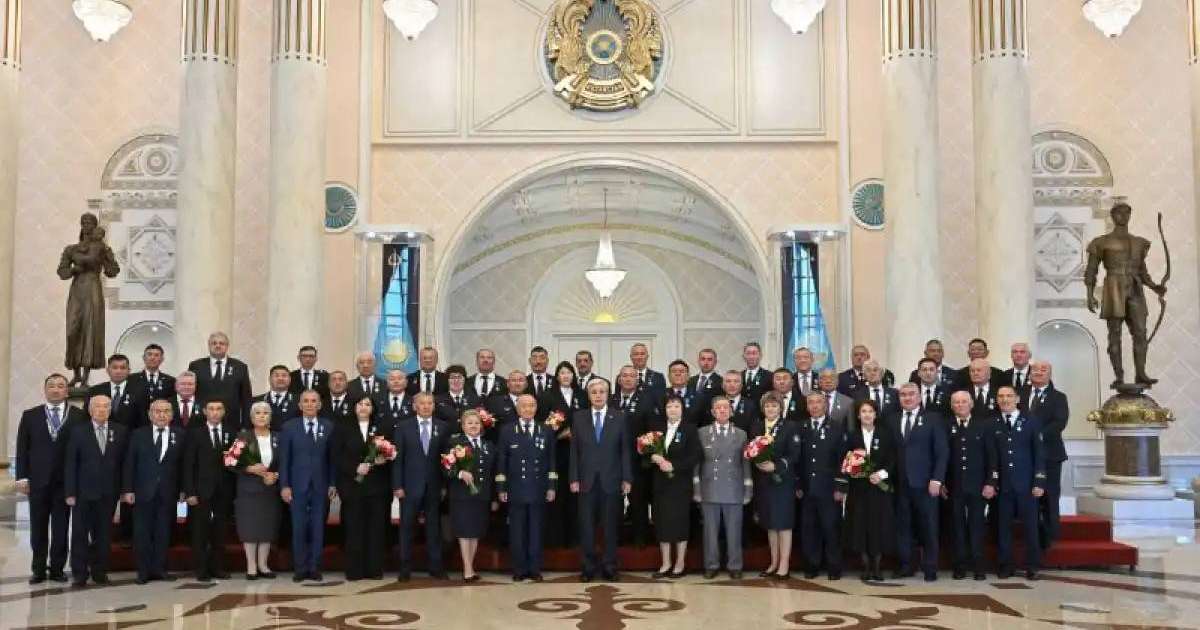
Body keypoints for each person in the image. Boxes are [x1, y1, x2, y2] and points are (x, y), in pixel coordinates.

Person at [15, 373, 87, 584]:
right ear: (45, 390)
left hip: (65, 483)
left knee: (61, 526)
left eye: (61, 386)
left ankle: (57, 568)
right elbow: (22, 449)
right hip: (37, 482)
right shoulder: (30, 415)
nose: (56, 389)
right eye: (52, 386)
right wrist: (22, 477)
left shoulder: (78, 416)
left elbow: (81, 452)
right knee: (37, 526)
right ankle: (38, 568)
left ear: (67, 391)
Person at [570, 379, 633, 582]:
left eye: (602, 392)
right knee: (586, 526)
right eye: (594, 392)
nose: (598, 395)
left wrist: (627, 478)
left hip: (611, 479)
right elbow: (574, 451)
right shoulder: (578, 417)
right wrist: (574, 478)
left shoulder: (620, 417)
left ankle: (609, 566)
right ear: (589, 396)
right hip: (586, 481)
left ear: (608, 394)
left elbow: (625, 450)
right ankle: (587, 567)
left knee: (610, 526)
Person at [64, 395, 128, 587]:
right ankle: (79, 572)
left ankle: (100, 571)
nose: (102, 410)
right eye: (97, 406)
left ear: (110, 410)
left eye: (106, 406)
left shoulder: (120, 431)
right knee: (80, 534)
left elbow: (124, 464)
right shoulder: (78, 431)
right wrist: (70, 492)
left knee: (104, 534)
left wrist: (124, 490)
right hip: (83, 493)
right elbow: (70, 464)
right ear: (90, 410)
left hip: (108, 493)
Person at [887, 383, 947, 581]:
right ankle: (906, 565)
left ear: (920, 397)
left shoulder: (933, 419)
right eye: (903, 395)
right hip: (900, 484)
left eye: (912, 394)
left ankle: (930, 567)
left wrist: (937, 479)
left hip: (925, 483)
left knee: (929, 526)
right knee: (903, 527)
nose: (907, 398)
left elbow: (941, 452)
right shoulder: (892, 420)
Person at [122, 399, 184, 584]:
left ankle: (160, 569)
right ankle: (143, 571)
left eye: (166, 411)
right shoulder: (138, 434)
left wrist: (183, 489)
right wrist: (127, 489)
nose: (162, 415)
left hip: (168, 492)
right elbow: (129, 463)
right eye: (157, 411)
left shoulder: (180, 435)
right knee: (142, 533)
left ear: (172, 415)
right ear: (150, 414)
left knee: (163, 532)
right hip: (142, 492)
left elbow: (183, 466)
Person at [496, 394, 557, 582]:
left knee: (536, 531)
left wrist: (552, 486)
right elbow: (502, 462)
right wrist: (501, 488)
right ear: (517, 409)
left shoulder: (545, 430)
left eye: (531, 406)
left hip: (538, 489)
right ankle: (519, 569)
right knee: (517, 531)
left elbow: (551, 461)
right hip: (515, 489)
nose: (528, 409)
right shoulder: (507, 431)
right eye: (524, 406)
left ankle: (535, 568)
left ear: (536, 408)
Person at [279, 390, 337, 582]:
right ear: (300, 405)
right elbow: (284, 459)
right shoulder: (289, 427)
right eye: (306, 401)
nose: (310, 404)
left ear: (320, 405)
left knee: (318, 527)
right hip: (297, 486)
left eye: (314, 401)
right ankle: (300, 568)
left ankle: (315, 567)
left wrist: (332, 483)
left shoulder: (328, 426)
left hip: (321, 486)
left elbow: (332, 459)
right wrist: (285, 485)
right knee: (298, 527)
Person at [392, 392, 450, 581]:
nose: (426, 406)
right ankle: (405, 567)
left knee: (434, 528)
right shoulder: (403, 427)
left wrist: (443, 485)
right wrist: (397, 485)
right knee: (407, 528)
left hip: (434, 486)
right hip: (409, 486)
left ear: (434, 406)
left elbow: (445, 460)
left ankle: (436, 566)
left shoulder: (442, 427)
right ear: (414, 406)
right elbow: (398, 459)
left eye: (429, 403)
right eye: (422, 403)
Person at [993, 386, 1046, 580]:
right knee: (1003, 528)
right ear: (997, 400)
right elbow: (992, 456)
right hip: (1004, 486)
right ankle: (1006, 565)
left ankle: (1033, 565)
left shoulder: (1031, 421)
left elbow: (1039, 453)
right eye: (1001, 396)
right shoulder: (994, 423)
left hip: (1027, 485)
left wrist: (1039, 481)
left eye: (1009, 396)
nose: (1005, 400)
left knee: (1030, 527)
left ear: (1017, 399)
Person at [334, 396, 390, 581]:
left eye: (368, 404)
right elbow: (336, 455)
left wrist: (385, 459)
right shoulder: (343, 427)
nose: (364, 407)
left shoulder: (382, 428)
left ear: (373, 408)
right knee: (353, 528)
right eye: (360, 404)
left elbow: (391, 452)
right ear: (354, 407)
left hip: (377, 487)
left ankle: (374, 570)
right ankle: (354, 571)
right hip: (352, 486)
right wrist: (354, 468)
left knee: (376, 529)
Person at [696, 397, 751, 579]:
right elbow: (697, 463)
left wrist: (748, 488)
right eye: (718, 408)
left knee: (734, 530)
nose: (722, 410)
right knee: (710, 531)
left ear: (731, 411)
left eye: (725, 407)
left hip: (733, 487)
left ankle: (735, 565)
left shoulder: (741, 434)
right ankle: (711, 565)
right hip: (709, 486)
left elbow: (745, 464)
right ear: (712, 412)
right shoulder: (702, 433)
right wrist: (696, 489)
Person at [943, 391, 996, 581]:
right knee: (957, 528)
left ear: (971, 404)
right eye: (956, 402)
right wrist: (940, 482)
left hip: (978, 486)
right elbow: (942, 457)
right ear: (951, 406)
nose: (960, 405)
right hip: (953, 486)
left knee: (977, 526)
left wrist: (991, 482)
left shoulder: (983, 426)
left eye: (964, 401)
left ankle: (978, 565)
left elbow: (992, 457)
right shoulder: (946, 425)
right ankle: (959, 565)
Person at [841, 399, 895, 582]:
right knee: (860, 526)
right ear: (858, 415)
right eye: (863, 411)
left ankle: (878, 567)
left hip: (879, 489)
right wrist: (855, 470)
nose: (867, 415)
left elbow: (893, 459)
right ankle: (865, 566)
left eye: (870, 411)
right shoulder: (851, 436)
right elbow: (846, 461)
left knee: (878, 526)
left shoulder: (886, 435)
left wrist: (881, 474)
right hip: (859, 489)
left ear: (875, 414)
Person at [647, 394, 701, 578]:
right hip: (660, 484)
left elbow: (696, 456)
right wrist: (652, 457)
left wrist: (674, 466)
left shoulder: (690, 429)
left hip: (680, 484)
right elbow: (645, 454)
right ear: (664, 410)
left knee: (679, 523)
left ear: (682, 409)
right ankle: (665, 563)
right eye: (669, 406)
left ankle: (679, 563)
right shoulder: (657, 430)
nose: (673, 409)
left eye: (676, 406)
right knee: (662, 522)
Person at [182, 399, 236, 582]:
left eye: (219, 408)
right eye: (211, 409)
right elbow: (188, 464)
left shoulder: (231, 433)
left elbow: (235, 463)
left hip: (224, 490)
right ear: (204, 411)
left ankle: (218, 568)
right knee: (200, 531)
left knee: (220, 532)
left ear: (224, 411)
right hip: (200, 491)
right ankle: (201, 569)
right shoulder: (195, 434)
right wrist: (189, 492)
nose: (215, 412)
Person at [750, 393, 801, 580]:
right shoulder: (756, 426)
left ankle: (784, 564)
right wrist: (756, 461)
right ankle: (773, 562)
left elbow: (794, 454)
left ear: (781, 408)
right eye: (767, 406)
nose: (770, 409)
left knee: (783, 523)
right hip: (763, 481)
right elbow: (752, 449)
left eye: (774, 406)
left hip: (783, 481)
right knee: (770, 523)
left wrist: (777, 466)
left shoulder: (790, 427)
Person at [799, 391, 848, 580]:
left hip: (829, 489)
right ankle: (812, 566)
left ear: (825, 405)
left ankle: (834, 567)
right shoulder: (801, 427)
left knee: (831, 529)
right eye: (810, 402)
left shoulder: (836, 428)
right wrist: (798, 484)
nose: (814, 406)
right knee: (809, 529)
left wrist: (841, 487)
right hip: (807, 488)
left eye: (818, 402)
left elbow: (843, 460)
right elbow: (799, 459)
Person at [445, 409, 497, 582]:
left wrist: (494, 497)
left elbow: (493, 472)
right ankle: (467, 569)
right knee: (464, 531)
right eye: (470, 423)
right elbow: (445, 467)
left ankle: (471, 567)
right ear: (463, 425)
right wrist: (460, 474)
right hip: (461, 495)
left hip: (481, 495)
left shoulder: (488, 445)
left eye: (476, 423)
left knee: (475, 532)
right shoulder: (455, 443)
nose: (473, 426)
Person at [234, 401, 283, 580]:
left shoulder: (279, 437)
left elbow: (284, 462)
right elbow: (230, 462)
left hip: (270, 490)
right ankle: (251, 567)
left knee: (266, 529)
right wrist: (249, 469)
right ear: (252, 417)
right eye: (258, 413)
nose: (262, 416)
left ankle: (264, 565)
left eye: (265, 413)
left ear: (270, 417)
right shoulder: (243, 436)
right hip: (248, 490)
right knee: (250, 529)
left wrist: (276, 475)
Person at [538, 361, 584, 547]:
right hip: (556, 451)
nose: (566, 376)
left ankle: (575, 538)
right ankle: (556, 538)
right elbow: (541, 423)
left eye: (569, 372)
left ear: (573, 375)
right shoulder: (547, 396)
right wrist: (558, 434)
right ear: (557, 376)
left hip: (579, 452)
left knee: (576, 495)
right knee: (557, 494)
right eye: (562, 373)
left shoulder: (582, 395)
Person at [1026, 360, 1069, 549]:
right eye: (1034, 369)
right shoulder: (1020, 394)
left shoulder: (1059, 397)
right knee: (1029, 496)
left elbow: (1059, 423)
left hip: (1050, 454)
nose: (1038, 372)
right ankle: (1032, 535)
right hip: (1024, 456)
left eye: (1043, 370)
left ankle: (1052, 538)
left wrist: (1036, 436)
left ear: (1050, 374)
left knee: (1049, 495)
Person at [188, 331, 253, 429]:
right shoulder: (196, 366)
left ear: (227, 346)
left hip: (231, 422)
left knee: (232, 445)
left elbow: (246, 399)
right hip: (202, 422)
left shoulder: (240, 367)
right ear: (209, 345)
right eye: (214, 343)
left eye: (221, 343)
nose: (218, 346)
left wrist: (246, 426)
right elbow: (189, 393)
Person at [85, 353, 146, 430]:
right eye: (114, 367)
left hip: (130, 438)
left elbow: (143, 421)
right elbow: (86, 417)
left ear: (129, 371)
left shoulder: (139, 392)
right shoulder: (95, 391)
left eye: (123, 368)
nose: (118, 371)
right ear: (107, 370)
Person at [250, 364, 299, 431]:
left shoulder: (299, 401)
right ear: (269, 379)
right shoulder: (256, 401)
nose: (280, 378)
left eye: (284, 376)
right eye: (276, 376)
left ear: (290, 379)